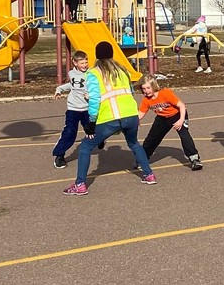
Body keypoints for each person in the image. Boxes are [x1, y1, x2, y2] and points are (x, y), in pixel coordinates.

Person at [62, 41, 155, 195]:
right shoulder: (122, 70)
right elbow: (130, 92)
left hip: (110, 116)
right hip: (130, 114)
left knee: (85, 146)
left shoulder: (93, 73)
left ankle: (80, 184)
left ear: (97, 56)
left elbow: (94, 99)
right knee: (134, 143)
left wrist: (91, 121)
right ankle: (149, 174)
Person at [137, 74, 203, 171]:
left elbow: (181, 106)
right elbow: (140, 114)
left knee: (184, 135)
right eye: (144, 89)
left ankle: (194, 159)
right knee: (151, 138)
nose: (146, 91)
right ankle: (143, 159)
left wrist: (181, 120)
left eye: (148, 88)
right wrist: (134, 122)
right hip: (162, 118)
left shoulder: (165, 93)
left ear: (154, 86)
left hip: (178, 114)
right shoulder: (146, 100)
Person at [52, 49, 103, 169]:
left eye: (86, 62)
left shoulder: (92, 74)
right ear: (75, 63)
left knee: (93, 129)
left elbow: (98, 87)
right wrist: (59, 89)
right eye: (82, 63)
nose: (85, 65)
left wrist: (91, 95)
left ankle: (100, 139)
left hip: (87, 108)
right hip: (73, 108)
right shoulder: (72, 74)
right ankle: (59, 155)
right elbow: (72, 85)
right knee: (69, 132)